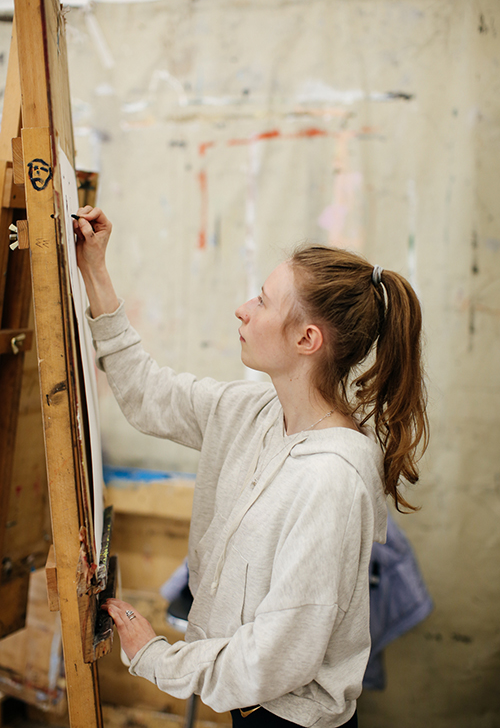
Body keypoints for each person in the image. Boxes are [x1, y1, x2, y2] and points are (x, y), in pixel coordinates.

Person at [73, 206, 428, 728]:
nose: (243, 309)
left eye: (262, 300)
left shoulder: (330, 481)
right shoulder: (253, 411)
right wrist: (94, 271)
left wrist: (156, 658)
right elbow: (147, 393)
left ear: (307, 340)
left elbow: (274, 659)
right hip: (248, 709)